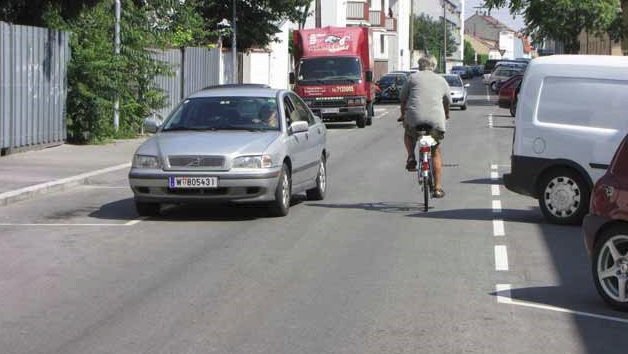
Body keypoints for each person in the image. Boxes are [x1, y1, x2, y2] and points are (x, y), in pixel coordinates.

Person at [399, 55, 451, 198]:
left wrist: (403, 115)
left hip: (414, 119)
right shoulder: (441, 80)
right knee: (435, 152)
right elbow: (447, 101)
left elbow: (403, 99)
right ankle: (438, 188)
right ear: (434, 66)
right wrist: (446, 114)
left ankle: (411, 157)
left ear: (419, 66)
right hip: (436, 122)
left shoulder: (412, 78)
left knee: (409, 133)